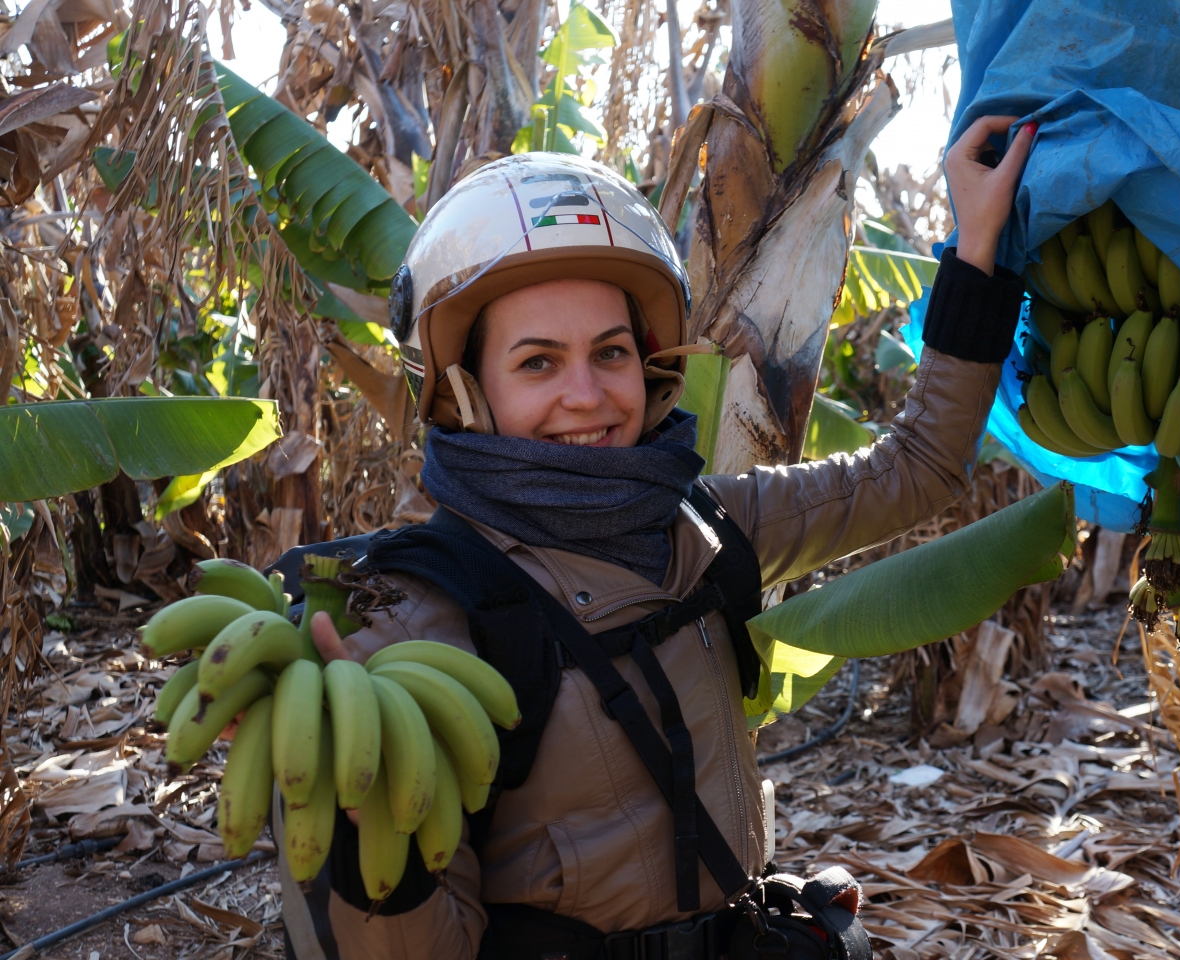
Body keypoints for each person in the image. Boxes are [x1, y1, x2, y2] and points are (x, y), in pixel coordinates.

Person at [276, 114, 1036, 960]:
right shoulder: (423, 622)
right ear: (464, 390)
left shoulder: (704, 527)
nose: (589, 395)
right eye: (536, 362)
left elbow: (917, 469)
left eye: (611, 352)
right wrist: (366, 817)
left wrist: (977, 249)